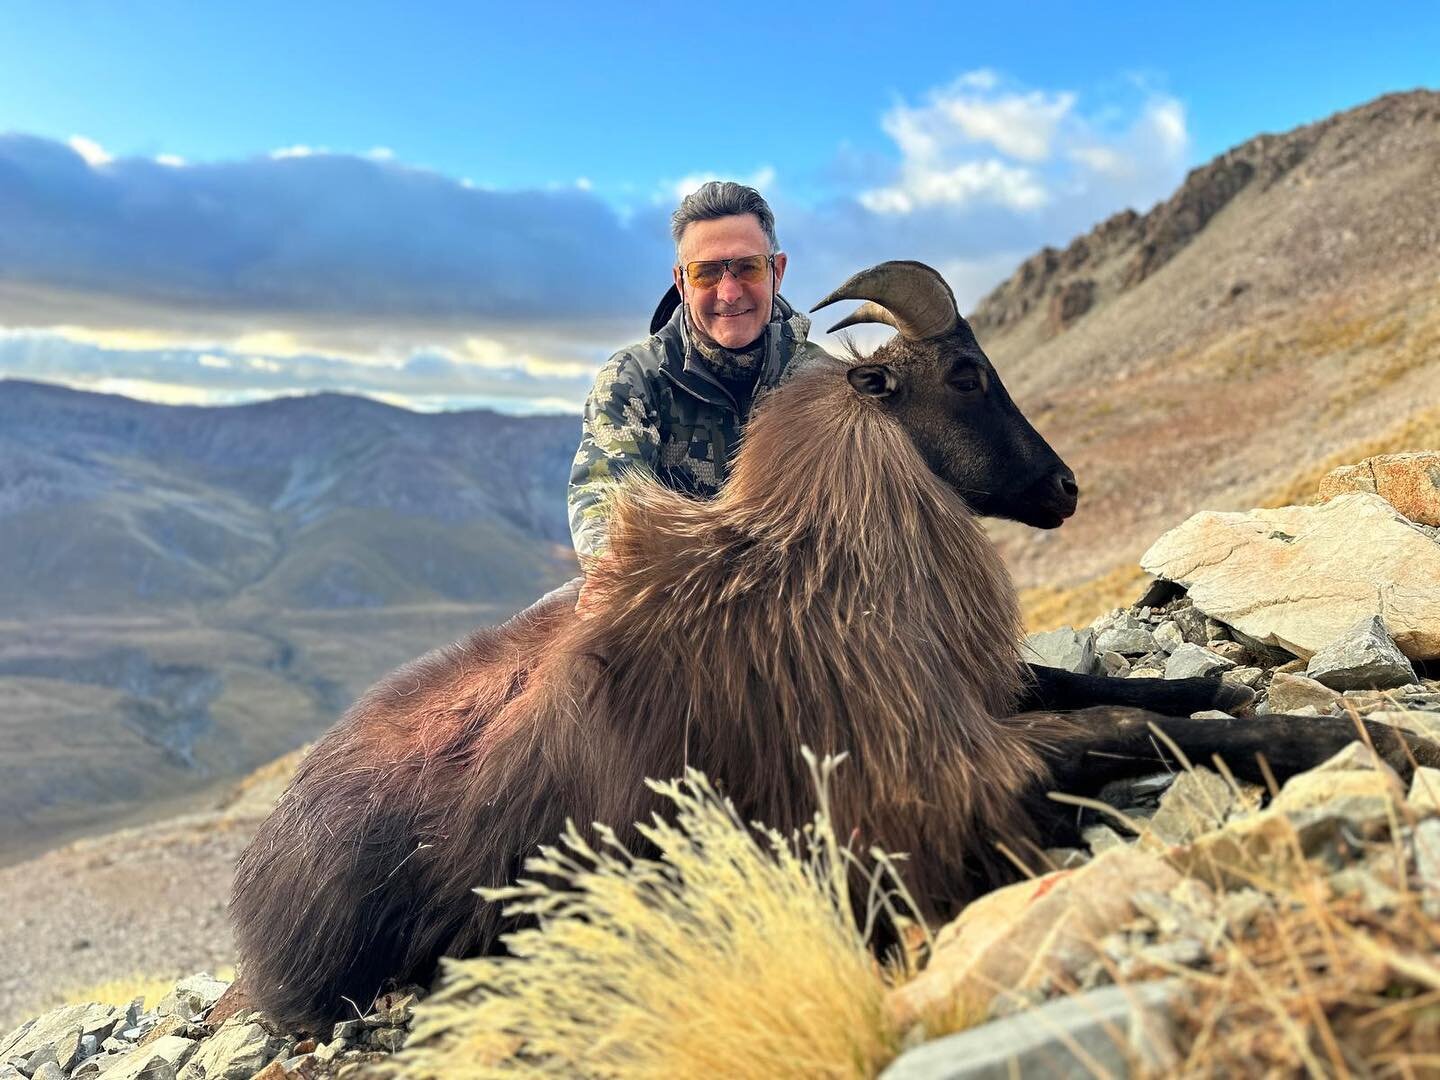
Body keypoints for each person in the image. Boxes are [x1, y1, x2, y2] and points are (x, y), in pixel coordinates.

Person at [567, 181, 832, 561]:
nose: (729, 292)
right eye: (707, 273)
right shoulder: (634, 377)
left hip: (800, 587)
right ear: (682, 283)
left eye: (748, 268)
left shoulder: (825, 382)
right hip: (672, 588)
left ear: (778, 270)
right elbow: (606, 494)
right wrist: (610, 569)